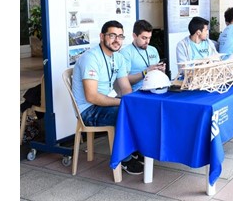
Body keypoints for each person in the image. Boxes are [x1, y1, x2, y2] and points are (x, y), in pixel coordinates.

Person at [71, 20, 144, 175]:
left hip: (103, 103)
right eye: (112, 35)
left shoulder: (118, 58)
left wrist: (132, 103)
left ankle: (135, 148)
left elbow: (125, 87)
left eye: (120, 36)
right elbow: (91, 97)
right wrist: (122, 103)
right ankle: (123, 158)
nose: (117, 40)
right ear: (102, 36)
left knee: (139, 109)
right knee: (123, 113)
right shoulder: (91, 58)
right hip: (88, 110)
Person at [120, 20, 166, 92]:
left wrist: (162, 71)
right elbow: (124, 80)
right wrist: (145, 72)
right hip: (139, 91)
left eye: (149, 38)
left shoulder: (153, 50)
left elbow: (160, 75)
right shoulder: (126, 52)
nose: (147, 42)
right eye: (144, 38)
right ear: (134, 36)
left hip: (156, 87)